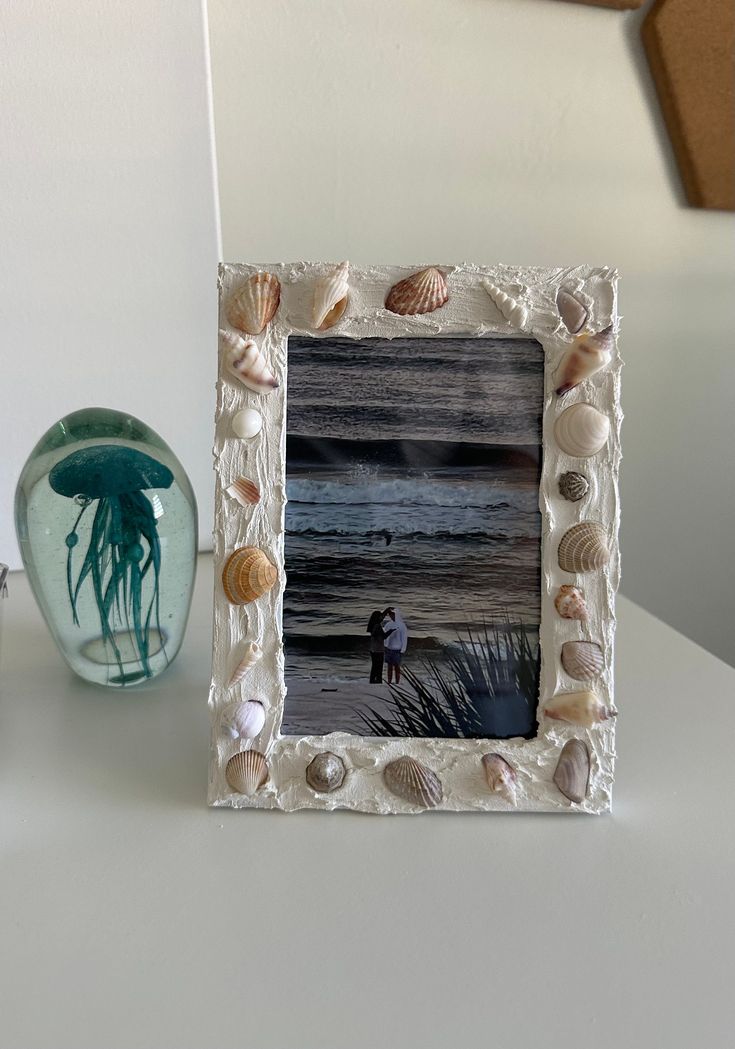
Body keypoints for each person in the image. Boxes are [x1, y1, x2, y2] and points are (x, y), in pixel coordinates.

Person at [366, 609, 395, 684]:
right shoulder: (377, 626)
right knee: (379, 668)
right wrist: (391, 631)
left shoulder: (372, 625)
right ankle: (378, 682)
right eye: (380, 617)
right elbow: (383, 636)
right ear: (378, 618)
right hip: (378, 649)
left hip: (373, 649)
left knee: (374, 667)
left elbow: (382, 617)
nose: (381, 618)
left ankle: (372, 681)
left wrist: (387, 610)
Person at [382, 607, 408, 684]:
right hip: (389, 648)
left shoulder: (402, 625)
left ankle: (397, 682)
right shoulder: (388, 624)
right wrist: (384, 645)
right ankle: (389, 682)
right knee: (389, 667)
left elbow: (404, 638)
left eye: (393, 615)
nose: (391, 616)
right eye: (390, 615)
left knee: (397, 667)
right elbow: (384, 636)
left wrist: (403, 649)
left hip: (397, 649)